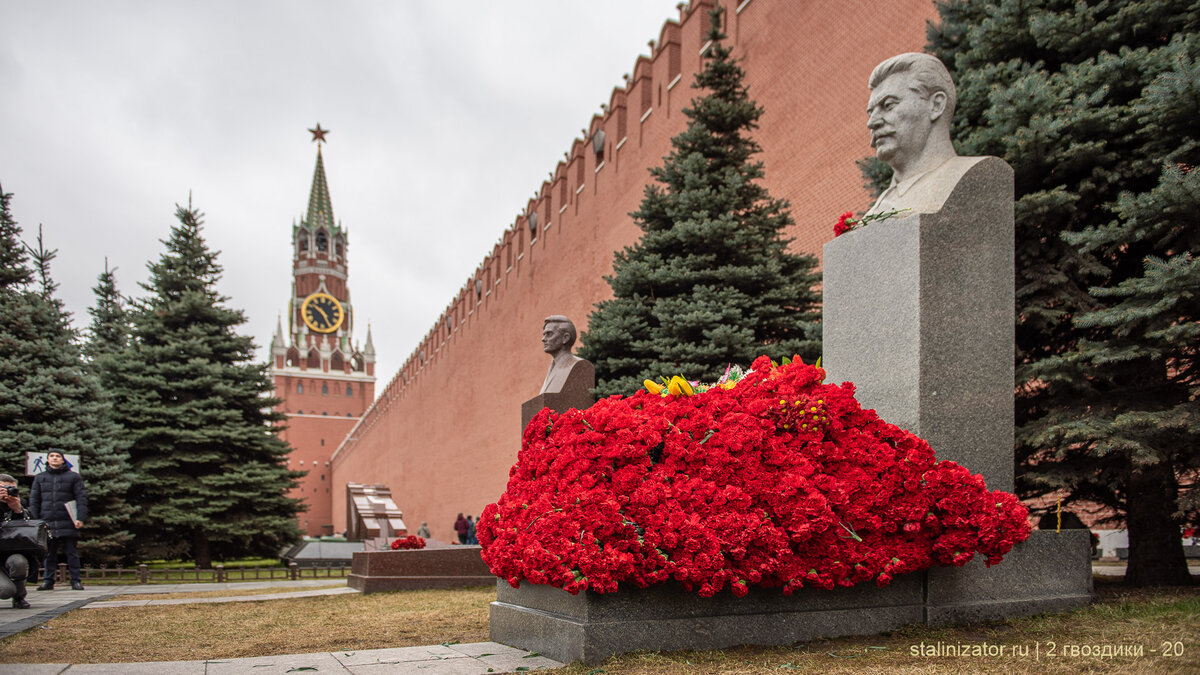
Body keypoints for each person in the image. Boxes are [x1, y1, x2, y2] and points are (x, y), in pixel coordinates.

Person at [865, 52, 987, 217]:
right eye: (870, 113)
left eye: (888, 105)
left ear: (936, 105)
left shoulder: (975, 177)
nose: (872, 123)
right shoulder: (875, 212)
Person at [30, 450, 87, 591]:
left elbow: (81, 498)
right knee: (49, 554)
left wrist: (80, 517)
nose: (55, 458)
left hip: (68, 521)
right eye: (52, 456)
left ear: (63, 460)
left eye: (58, 456)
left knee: (72, 553)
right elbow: (34, 500)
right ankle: (48, 581)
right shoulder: (40, 478)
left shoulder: (74, 477)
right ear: (48, 460)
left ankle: (76, 580)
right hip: (47, 521)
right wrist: (35, 520)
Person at [0, 474, 35, 608]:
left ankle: (20, 598)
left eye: (11, 488)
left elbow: (30, 528)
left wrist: (17, 509)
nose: (7, 491)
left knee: (19, 561)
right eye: (3, 488)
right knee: (5, 591)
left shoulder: (20, 503)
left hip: (10, 552)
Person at [538, 316, 593, 395]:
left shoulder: (579, 365)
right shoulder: (552, 367)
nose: (543, 339)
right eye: (544, 334)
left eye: (549, 334)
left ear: (565, 338)